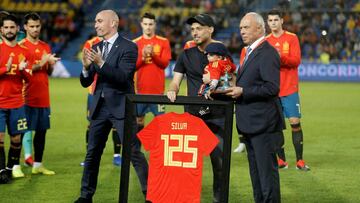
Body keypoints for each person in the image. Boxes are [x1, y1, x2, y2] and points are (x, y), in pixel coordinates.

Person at [75, 10, 148, 203]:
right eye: (95, 21)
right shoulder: (96, 46)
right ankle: (85, 196)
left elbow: (123, 77)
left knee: (133, 152)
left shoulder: (129, 47)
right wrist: (85, 67)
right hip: (99, 107)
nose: (96, 25)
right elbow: (86, 81)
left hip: (122, 106)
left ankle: (150, 194)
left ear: (113, 23)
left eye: (99, 21)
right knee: (92, 153)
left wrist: (101, 62)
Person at [225, 12, 283, 202]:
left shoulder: (267, 52)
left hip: (263, 124)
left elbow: (272, 87)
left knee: (267, 176)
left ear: (259, 28)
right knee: (257, 176)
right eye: (241, 27)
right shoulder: (250, 51)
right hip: (250, 124)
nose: (241, 31)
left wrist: (243, 91)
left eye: (246, 27)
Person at [166, 13, 224, 203]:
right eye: (192, 29)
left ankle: (218, 197)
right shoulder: (186, 54)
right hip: (192, 115)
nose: (195, 32)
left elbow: (231, 80)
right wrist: (172, 90)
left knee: (219, 161)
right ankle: (187, 197)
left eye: (199, 28)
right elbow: (175, 81)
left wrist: (218, 83)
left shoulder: (222, 52)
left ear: (210, 29)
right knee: (187, 162)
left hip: (217, 115)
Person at [266, 9, 310, 171]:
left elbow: (296, 61)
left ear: (282, 21)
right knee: (275, 125)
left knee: (294, 122)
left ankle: (300, 161)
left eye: (276, 20)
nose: (273, 23)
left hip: (290, 88)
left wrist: (280, 57)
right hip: (272, 90)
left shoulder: (292, 38)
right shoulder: (265, 41)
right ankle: (281, 160)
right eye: (270, 21)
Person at [19, 12, 59, 175]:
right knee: (20, 132)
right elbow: (23, 71)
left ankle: (38, 164)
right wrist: (41, 62)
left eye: (37, 26)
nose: (35, 29)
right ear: (25, 27)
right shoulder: (21, 46)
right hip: (25, 97)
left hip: (43, 96)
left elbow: (48, 72)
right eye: (32, 26)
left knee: (41, 132)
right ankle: (14, 165)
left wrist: (50, 64)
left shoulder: (45, 46)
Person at [81, 35, 123, 167]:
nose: (99, 25)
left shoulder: (118, 43)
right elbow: (87, 65)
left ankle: (117, 155)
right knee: (92, 124)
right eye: (98, 22)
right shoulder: (91, 43)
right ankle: (89, 155)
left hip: (114, 91)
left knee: (116, 124)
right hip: (95, 92)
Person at [0, 13, 32, 182]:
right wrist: (7, 68)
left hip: (17, 104)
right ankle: (1, 172)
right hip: (0, 103)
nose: (9, 30)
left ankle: (9, 169)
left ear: (17, 29)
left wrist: (21, 70)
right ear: (1, 30)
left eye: (12, 27)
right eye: (6, 27)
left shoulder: (24, 52)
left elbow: (29, 79)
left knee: (16, 140)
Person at [133, 12, 171, 134]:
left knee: (160, 122)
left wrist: (153, 54)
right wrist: (143, 58)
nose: (148, 27)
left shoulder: (163, 42)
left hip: (158, 91)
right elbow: (132, 67)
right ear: (141, 25)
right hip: (140, 91)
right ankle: (136, 151)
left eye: (150, 24)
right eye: (145, 24)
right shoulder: (135, 43)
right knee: (138, 121)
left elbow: (164, 64)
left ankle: (158, 151)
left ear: (155, 25)